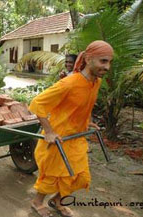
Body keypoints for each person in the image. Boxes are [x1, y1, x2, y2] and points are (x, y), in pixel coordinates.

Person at [29, 40, 114, 217]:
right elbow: (37, 104)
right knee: (52, 177)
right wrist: (50, 132)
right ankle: (37, 202)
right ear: (89, 59)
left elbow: (86, 104)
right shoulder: (69, 83)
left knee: (80, 176)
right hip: (58, 138)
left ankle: (57, 200)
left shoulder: (95, 82)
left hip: (76, 138)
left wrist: (88, 120)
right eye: (103, 61)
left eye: (109, 62)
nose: (107, 67)